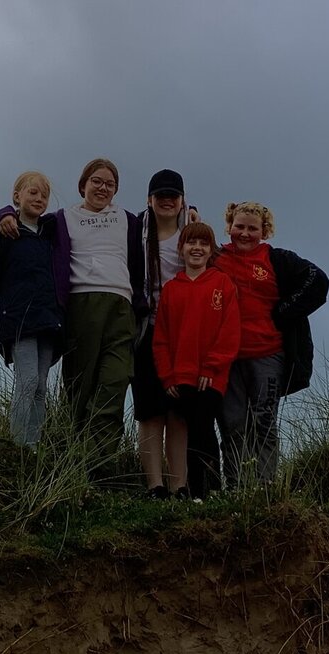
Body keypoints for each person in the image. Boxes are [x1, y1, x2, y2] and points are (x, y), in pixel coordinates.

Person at [0, 159, 146, 472]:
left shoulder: (128, 220)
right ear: (83, 185)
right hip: (80, 305)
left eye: (110, 184)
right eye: (96, 181)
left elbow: (165, 214)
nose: (103, 188)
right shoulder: (62, 219)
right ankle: (71, 459)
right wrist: (3, 213)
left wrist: (190, 209)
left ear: (116, 190)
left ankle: (98, 459)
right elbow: (26, 217)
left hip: (121, 306)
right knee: (80, 385)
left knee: (115, 380)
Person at [213, 201, 329, 487]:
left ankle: (265, 487)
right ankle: (237, 486)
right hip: (227, 357)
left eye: (252, 228)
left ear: (264, 231)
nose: (244, 233)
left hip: (268, 354)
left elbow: (318, 280)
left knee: (263, 420)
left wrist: (284, 311)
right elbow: (187, 242)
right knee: (232, 423)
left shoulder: (277, 259)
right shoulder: (215, 257)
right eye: (239, 226)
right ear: (229, 226)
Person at [0, 171, 63, 447]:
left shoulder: (50, 233)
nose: (39, 199)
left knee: (42, 387)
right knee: (28, 380)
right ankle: (19, 446)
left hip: (48, 320)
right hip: (19, 320)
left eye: (44, 195)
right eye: (32, 192)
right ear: (17, 196)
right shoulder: (3, 232)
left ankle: (34, 446)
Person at [153, 222, 239, 500]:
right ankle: (197, 493)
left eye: (203, 244)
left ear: (211, 250)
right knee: (190, 433)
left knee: (204, 429)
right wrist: (167, 377)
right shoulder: (171, 289)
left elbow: (230, 332)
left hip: (211, 377)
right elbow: (161, 339)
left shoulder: (222, 283)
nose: (197, 248)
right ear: (181, 248)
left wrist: (212, 367)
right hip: (180, 378)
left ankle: (208, 491)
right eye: (191, 243)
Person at [133, 169, 190, 499]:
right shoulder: (134, 231)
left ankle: (179, 485)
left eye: (173, 195)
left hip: (183, 333)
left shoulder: (192, 233)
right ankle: (155, 485)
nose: (167, 200)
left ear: (182, 200)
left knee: (178, 412)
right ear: (149, 200)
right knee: (149, 412)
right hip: (146, 331)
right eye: (160, 195)